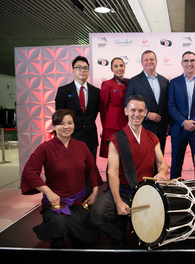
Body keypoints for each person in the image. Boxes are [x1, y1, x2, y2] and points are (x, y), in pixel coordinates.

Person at [90, 94, 168, 243]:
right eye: (133, 110)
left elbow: (161, 163)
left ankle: (132, 223)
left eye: (140, 111)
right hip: (123, 192)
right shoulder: (116, 139)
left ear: (145, 112)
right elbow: (112, 172)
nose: (136, 114)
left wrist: (162, 172)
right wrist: (118, 202)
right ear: (126, 111)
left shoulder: (153, 138)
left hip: (146, 192)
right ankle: (120, 234)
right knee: (96, 214)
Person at [21, 109, 103, 247]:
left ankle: (63, 230)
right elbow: (29, 171)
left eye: (70, 123)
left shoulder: (82, 146)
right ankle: (60, 229)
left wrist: (95, 193)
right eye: (61, 123)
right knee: (60, 224)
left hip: (79, 202)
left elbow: (93, 171)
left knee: (93, 236)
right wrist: (49, 193)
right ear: (53, 126)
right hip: (56, 203)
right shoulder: (44, 148)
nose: (66, 127)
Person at [168, 51, 195, 179]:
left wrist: (193, 122)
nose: (189, 63)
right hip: (178, 129)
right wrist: (184, 122)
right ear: (182, 64)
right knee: (175, 164)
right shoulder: (174, 82)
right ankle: (175, 192)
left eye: (192, 60)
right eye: (186, 61)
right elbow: (171, 105)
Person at [55, 56, 100, 161]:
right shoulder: (63, 91)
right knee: (72, 171)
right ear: (73, 70)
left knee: (90, 171)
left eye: (85, 68)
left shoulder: (96, 92)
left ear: (88, 71)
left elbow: (94, 114)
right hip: (70, 137)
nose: (82, 70)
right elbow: (59, 116)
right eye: (78, 67)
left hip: (90, 138)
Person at [125, 50, 169, 153]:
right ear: (142, 63)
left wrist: (168, 124)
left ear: (156, 61)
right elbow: (128, 104)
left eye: (151, 59)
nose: (149, 62)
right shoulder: (133, 81)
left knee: (159, 161)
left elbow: (167, 104)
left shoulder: (165, 81)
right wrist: (147, 114)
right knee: (144, 160)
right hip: (143, 127)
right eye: (146, 60)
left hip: (161, 129)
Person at [99, 57, 128, 158]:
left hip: (126, 125)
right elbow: (103, 107)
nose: (119, 68)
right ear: (111, 69)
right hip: (112, 126)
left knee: (125, 157)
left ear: (125, 67)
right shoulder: (107, 84)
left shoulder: (129, 83)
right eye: (115, 66)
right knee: (112, 157)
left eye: (121, 65)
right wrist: (106, 123)